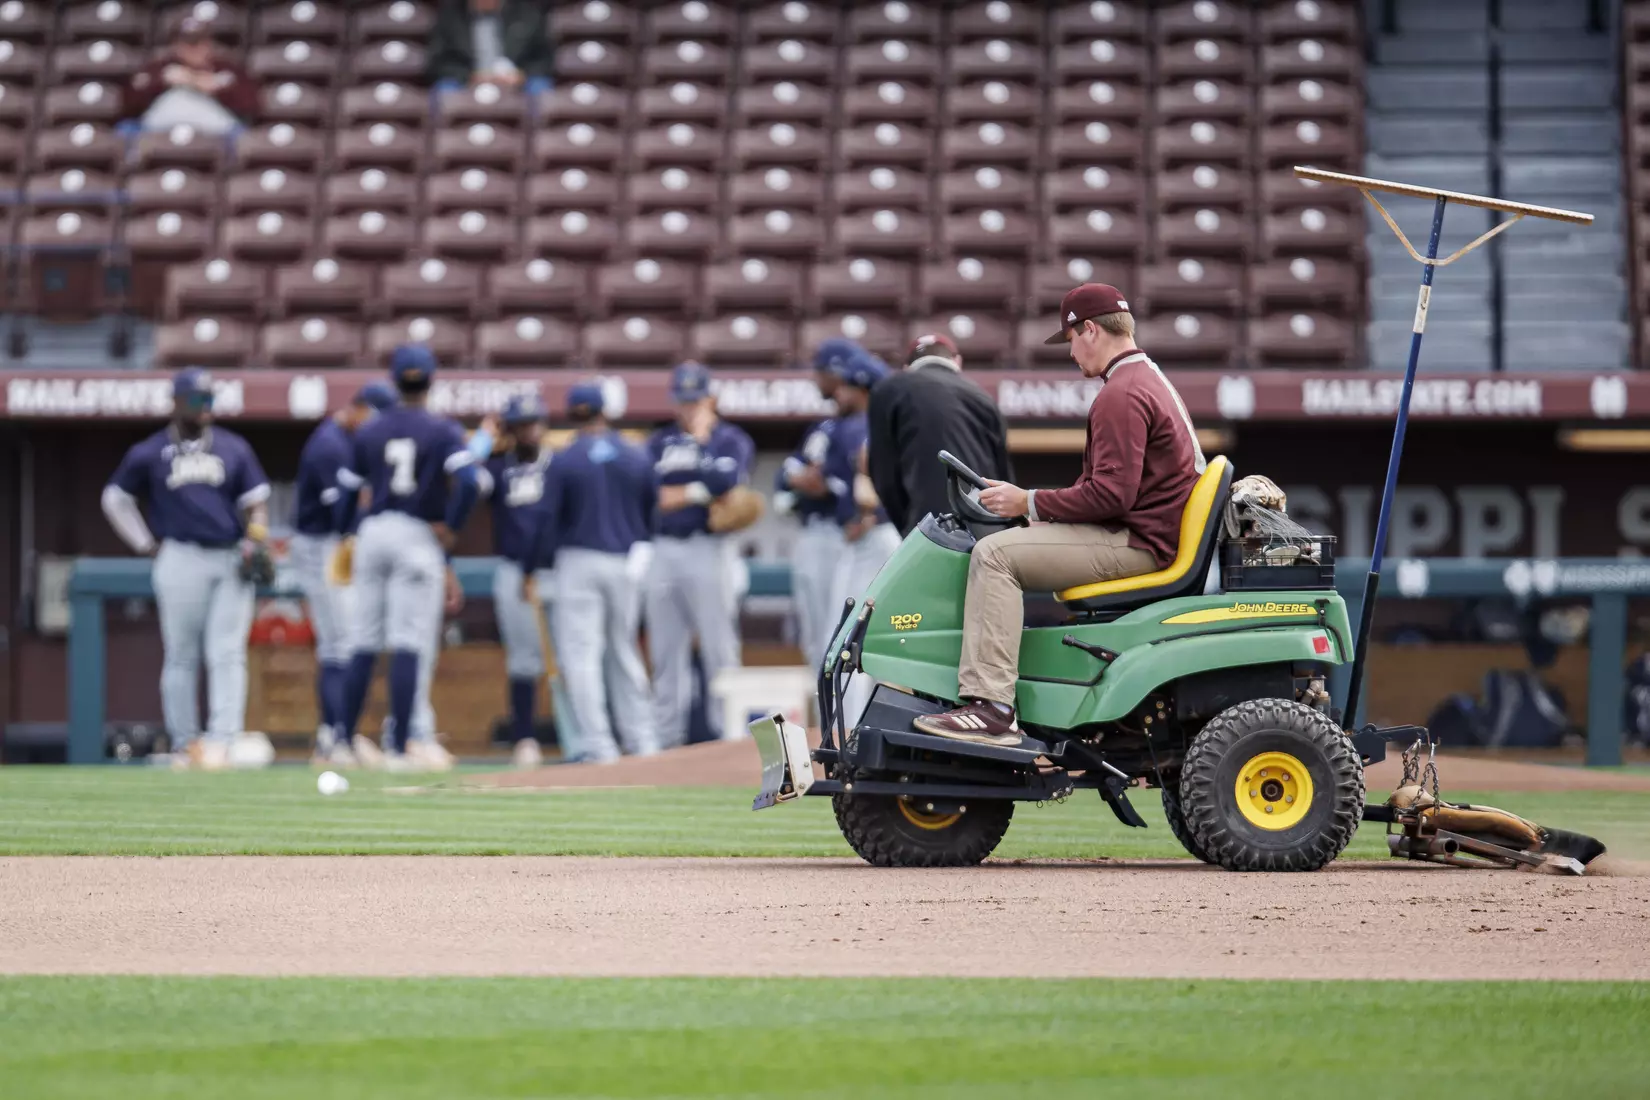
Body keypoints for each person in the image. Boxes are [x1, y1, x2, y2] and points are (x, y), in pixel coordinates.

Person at [913, 284, 1206, 746]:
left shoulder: (1121, 393)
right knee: (1007, 545)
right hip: (1148, 536)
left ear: (1090, 329)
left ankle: (991, 708)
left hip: (1139, 544)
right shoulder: (1146, 376)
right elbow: (1114, 493)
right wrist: (1048, 515)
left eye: (1070, 339)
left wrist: (1028, 502)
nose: (1071, 352)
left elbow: (1112, 497)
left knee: (993, 555)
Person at [100, 368, 272, 769]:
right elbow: (114, 498)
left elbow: (256, 501)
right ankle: (185, 742)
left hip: (230, 556)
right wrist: (145, 544)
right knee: (181, 654)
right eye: (197, 400)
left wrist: (256, 537)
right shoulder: (150, 451)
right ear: (176, 402)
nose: (205, 407)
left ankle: (222, 742)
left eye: (209, 399)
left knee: (227, 652)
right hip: (179, 554)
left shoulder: (232, 447)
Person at [334, 345, 488, 771]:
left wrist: (347, 531)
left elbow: (347, 488)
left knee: (362, 640)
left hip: (374, 530)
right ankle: (399, 748)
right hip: (416, 532)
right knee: (407, 643)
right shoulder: (441, 430)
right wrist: (452, 528)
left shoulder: (370, 429)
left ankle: (343, 743)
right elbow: (471, 482)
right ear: (431, 381)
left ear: (394, 380)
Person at [530, 382, 660, 763]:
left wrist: (534, 564)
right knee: (624, 650)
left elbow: (546, 519)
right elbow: (653, 508)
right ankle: (643, 740)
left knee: (582, 656)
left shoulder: (565, 458)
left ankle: (599, 745)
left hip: (578, 559)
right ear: (605, 410)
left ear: (573, 413)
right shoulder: (634, 455)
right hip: (625, 560)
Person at [645, 361, 756, 749]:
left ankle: (729, 736)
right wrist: (698, 492)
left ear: (711, 398)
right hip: (664, 549)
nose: (689, 407)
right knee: (665, 650)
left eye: (696, 399)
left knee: (719, 647)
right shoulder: (659, 441)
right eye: (684, 400)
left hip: (709, 547)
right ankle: (665, 740)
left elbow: (726, 480)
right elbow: (651, 498)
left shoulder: (729, 439)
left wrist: (701, 445)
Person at [291, 380, 396, 768]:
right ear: (356, 408)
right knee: (341, 645)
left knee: (346, 644)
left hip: (339, 546)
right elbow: (342, 516)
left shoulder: (352, 439)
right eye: (372, 418)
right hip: (322, 547)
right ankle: (335, 737)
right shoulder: (330, 444)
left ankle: (337, 734)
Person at [478, 393, 559, 769]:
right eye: (521, 424)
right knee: (524, 659)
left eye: (534, 423)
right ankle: (525, 737)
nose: (529, 431)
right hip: (513, 569)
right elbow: (462, 477)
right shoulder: (498, 467)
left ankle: (585, 736)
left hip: (557, 567)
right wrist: (484, 438)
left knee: (575, 655)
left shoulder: (557, 464)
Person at [866, 332, 1013, 537]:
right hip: (985, 530)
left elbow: (884, 476)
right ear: (957, 362)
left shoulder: (889, 388)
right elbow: (1003, 476)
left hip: (926, 527)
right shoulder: (984, 397)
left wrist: (909, 527)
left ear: (907, 368)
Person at [774, 337, 860, 671]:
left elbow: (839, 484)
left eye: (821, 372)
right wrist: (805, 480)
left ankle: (848, 718)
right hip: (813, 534)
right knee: (816, 637)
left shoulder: (860, 426)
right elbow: (786, 473)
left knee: (841, 636)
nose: (816, 379)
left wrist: (822, 484)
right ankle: (826, 719)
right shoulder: (823, 426)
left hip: (845, 534)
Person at [122, 18, 259, 135]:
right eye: (187, 44)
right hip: (160, 129)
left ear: (209, 44)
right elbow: (128, 104)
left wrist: (207, 85)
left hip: (216, 130)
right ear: (175, 45)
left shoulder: (227, 68)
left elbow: (251, 106)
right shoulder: (158, 67)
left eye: (199, 43)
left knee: (242, 134)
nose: (194, 50)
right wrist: (161, 82)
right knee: (126, 129)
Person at [426, 0, 553, 91]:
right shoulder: (451, 16)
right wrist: (469, 76)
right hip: (466, 79)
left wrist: (521, 75)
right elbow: (438, 61)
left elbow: (543, 57)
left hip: (516, 79)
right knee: (444, 89)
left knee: (539, 87)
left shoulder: (527, 14)